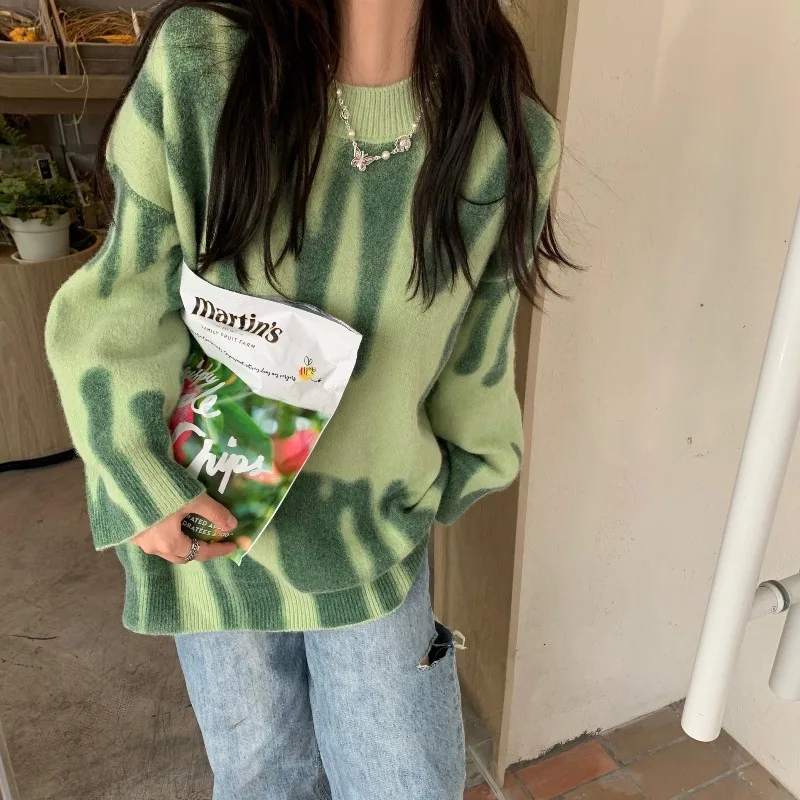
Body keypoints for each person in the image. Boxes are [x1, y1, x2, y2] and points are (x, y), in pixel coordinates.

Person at [45, 1, 571, 797]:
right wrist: (137, 476)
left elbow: (478, 359)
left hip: (373, 538)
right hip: (212, 525)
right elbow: (122, 300)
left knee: (406, 780)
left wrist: (448, 483)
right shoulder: (203, 69)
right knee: (262, 778)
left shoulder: (506, 138)